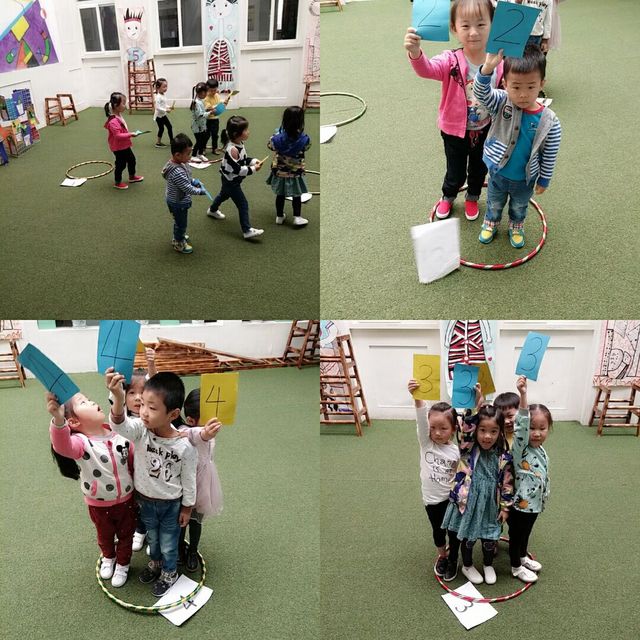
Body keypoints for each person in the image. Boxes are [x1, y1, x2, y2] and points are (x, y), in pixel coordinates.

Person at [404, 0, 502, 221]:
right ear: (454, 28)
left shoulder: (499, 61)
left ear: (492, 25)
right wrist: (416, 52)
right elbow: (427, 69)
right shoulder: (450, 59)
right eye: (465, 25)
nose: (473, 32)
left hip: (487, 129)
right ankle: (448, 195)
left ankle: (472, 196)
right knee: (455, 170)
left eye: (481, 24)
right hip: (454, 131)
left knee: (479, 168)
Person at [106, 369, 198, 596]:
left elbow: (189, 480)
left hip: (170, 505)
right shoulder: (140, 429)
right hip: (145, 501)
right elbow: (120, 426)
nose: (144, 412)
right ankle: (156, 564)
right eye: (143, 405)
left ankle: (169, 572)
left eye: (153, 408)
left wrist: (187, 507)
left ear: (173, 414)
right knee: (153, 540)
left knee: (168, 543)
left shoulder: (184, 446)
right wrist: (118, 397)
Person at [473, 45, 561, 248]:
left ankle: (516, 226)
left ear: (542, 84)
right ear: (505, 84)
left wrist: (544, 179)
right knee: (494, 202)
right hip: (498, 173)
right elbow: (481, 93)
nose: (522, 95)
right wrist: (487, 69)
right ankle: (491, 222)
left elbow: (550, 154)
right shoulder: (501, 102)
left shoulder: (550, 121)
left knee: (519, 206)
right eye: (516, 87)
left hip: (525, 179)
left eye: (530, 87)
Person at [46, 391, 136, 588]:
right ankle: (109, 557)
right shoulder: (81, 443)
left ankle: (123, 564)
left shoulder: (120, 435)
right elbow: (62, 446)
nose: (92, 401)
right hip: (99, 504)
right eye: (83, 402)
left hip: (127, 500)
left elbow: (132, 464)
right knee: (104, 535)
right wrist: (58, 420)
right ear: (74, 422)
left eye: (88, 398)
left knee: (126, 534)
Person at [441, 404, 514, 585]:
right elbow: (466, 427)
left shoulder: (504, 455)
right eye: (482, 430)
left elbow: (508, 482)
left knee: (489, 536)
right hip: (469, 502)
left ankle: (488, 565)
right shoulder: (468, 448)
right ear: (476, 430)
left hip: (491, 503)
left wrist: (505, 507)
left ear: (500, 432)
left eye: (493, 431)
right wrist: (474, 406)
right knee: (468, 535)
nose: (487, 436)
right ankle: (467, 565)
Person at [407, 380, 460, 580]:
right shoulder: (426, 443)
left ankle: (453, 558)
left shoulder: (455, 451)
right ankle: (442, 556)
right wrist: (418, 398)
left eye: (443, 428)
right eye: (433, 427)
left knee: (454, 532)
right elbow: (421, 419)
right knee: (438, 531)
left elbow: (460, 474)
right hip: (432, 501)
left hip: (451, 501)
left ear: (453, 429)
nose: (437, 432)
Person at [509, 375, 551, 583]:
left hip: (535, 504)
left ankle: (523, 556)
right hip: (521, 505)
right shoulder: (521, 448)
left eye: (542, 429)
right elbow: (521, 426)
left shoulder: (541, 450)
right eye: (533, 428)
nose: (537, 433)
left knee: (526, 533)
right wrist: (523, 395)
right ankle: (516, 567)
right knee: (516, 535)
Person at [177, 389, 224, 572]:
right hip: (185, 484)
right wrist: (203, 433)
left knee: (197, 521)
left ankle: (193, 550)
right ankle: (179, 548)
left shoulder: (211, 434)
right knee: (181, 520)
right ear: (191, 421)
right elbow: (196, 436)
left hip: (204, 483)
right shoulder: (184, 433)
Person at [207, 115, 265, 240]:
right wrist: (254, 169)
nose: (248, 132)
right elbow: (238, 170)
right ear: (236, 134)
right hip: (231, 180)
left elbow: (244, 159)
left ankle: (212, 210)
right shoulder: (232, 150)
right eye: (245, 130)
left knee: (224, 195)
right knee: (243, 204)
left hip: (229, 179)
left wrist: (254, 161)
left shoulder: (239, 144)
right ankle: (247, 230)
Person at [161, 133, 209, 254]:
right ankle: (178, 242)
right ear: (178, 155)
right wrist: (200, 191)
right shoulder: (177, 171)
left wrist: (193, 181)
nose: (190, 156)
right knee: (181, 223)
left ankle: (179, 235)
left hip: (174, 199)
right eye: (188, 154)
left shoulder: (176, 163)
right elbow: (187, 188)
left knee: (179, 221)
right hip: (178, 202)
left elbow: (185, 181)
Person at [266, 106, 311, 227]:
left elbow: (270, 146)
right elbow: (307, 147)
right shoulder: (305, 139)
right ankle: (297, 217)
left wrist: (278, 136)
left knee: (280, 195)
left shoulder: (275, 138)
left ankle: (279, 216)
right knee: (297, 195)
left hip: (280, 172)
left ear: (284, 120)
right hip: (296, 172)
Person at [103, 92, 144, 189]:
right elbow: (117, 136)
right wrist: (131, 134)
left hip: (124, 145)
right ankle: (117, 182)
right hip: (118, 147)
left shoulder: (118, 115)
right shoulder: (113, 121)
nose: (125, 105)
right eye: (123, 103)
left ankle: (132, 177)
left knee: (132, 160)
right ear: (115, 105)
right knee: (121, 165)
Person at [204, 79, 228, 154]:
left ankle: (215, 149)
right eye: (211, 91)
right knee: (206, 135)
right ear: (207, 89)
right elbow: (207, 108)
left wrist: (224, 103)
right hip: (207, 119)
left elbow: (219, 104)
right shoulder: (205, 97)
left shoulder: (217, 95)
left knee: (215, 135)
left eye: (215, 90)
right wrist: (213, 108)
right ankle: (203, 148)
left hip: (215, 119)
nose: (213, 92)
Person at [190, 82, 211, 162]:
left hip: (202, 125)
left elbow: (202, 111)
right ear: (202, 92)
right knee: (199, 141)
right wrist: (210, 113)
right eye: (206, 92)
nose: (206, 94)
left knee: (203, 140)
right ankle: (193, 155)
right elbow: (200, 115)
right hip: (197, 127)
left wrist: (207, 110)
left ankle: (200, 154)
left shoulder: (200, 101)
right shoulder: (196, 103)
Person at [153, 78, 174, 148]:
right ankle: (158, 143)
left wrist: (169, 107)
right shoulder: (158, 97)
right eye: (164, 87)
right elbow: (157, 107)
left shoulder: (163, 95)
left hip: (163, 115)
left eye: (166, 86)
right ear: (158, 87)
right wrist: (166, 110)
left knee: (169, 127)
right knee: (161, 129)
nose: (166, 88)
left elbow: (164, 105)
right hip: (158, 117)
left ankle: (172, 141)